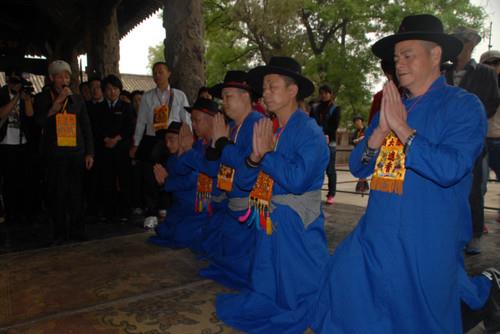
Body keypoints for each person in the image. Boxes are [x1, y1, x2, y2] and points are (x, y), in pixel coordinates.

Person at [310, 14, 499, 333]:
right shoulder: (394, 105)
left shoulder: (464, 106)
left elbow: (450, 168)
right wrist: (378, 134)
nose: (399, 63)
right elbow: (358, 166)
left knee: (420, 313)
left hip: (430, 229)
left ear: (435, 54)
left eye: (407, 55)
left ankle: (485, 290)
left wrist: (404, 131)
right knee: (344, 282)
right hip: (378, 226)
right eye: (396, 57)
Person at [216, 57, 330, 333]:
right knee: (266, 280)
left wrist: (266, 154)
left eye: (272, 86)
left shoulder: (309, 131)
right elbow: (244, 181)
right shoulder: (268, 127)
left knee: (300, 290)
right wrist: (255, 158)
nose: (265, 93)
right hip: (266, 214)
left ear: (293, 91)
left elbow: (297, 181)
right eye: (264, 88)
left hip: (295, 220)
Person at [194, 70, 263, 289]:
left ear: (245, 96)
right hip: (228, 202)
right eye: (222, 98)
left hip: (250, 208)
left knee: (243, 267)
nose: (223, 103)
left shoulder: (257, 124)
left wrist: (223, 143)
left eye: (228, 97)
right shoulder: (231, 127)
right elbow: (211, 169)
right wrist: (216, 147)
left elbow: (247, 167)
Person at [445, 27, 500, 254]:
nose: (460, 47)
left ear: (471, 46)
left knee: (474, 187)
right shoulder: (441, 71)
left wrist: (467, 121)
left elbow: (491, 103)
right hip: (445, 137)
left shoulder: (486, 73)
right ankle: (447, 230)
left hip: (471, 139)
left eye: (463, 42)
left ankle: (474, 233)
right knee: (445, 183)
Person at [34, 60, 94, 244]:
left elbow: (86, 127)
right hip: (55, 154)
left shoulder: (77, 99)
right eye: (60, 76)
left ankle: (77, 230)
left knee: (76, 193)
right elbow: (39, 122)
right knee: (57, 193)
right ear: (52, 78)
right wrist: (58, 102)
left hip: (76, 153)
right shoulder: (43, 98)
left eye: (66, 76)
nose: (64, 79)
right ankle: (59, 232)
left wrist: (89, 152)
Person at [129, 62, 191, 220]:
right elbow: (141, 121)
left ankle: (167, 206)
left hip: (172, 139)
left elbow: (186, 120)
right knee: (151, 174)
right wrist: (136, 143)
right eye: (155, 72)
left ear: (169, 73)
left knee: (171, 171)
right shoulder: (148, 96)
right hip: (152, 138)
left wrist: (188, 140)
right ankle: (152, 209)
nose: (157, 75)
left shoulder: (179, 95)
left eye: (161, 72)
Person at [149, 121, 207, 249]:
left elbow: (193, 179)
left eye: (171, 140)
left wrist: (166, 181)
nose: (168, 144)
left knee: (181, 236)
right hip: (180, 207)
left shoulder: (196, 154)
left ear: (183, 138)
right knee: (162, 230)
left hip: (197, 208)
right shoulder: (171, 159)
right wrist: (162, 183)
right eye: (166, 140)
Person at [0, 69, 35, 246]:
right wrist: (15, 99)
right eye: (13, 82)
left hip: (23, 143)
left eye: (18, 82)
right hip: (6, 143)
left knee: (24, 178)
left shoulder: (25, 94)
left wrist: (26, 99)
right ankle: (11, 213)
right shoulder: (2, 94)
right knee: (9, 180)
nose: (16, 85)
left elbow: (30, 115)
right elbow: (2, 114)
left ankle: (24, 212)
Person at [99, 74, 135, 221]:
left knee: (124, 181)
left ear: (119, 90)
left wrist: (117, 139)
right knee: (107, 181)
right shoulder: (99, 108)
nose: (112, 92)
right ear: (104, 91)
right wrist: (105, 139)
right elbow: (96, 127)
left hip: (122, 149)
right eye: (108, 89)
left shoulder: (127, 107)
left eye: (115, 89)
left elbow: (129, 127)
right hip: (105, 150)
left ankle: (125, 212)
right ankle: (109, 212)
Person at [310, 84, 340, 205]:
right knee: (316, 169)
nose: (323, 95)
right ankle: (314, 192)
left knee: (330, 170)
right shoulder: (315, 107)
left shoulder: (335, 108)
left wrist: (322, 131)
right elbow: (311, 123)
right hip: (316, 143)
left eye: (326, 93)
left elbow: (334, 126)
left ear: (330, 94)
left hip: (329, 143)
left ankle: (331, 194)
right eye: (321, 93)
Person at [481, 50, 500, 224]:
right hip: (481, 140)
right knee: (480, 184)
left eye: (496, 63)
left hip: (498, 139)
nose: (494, 67)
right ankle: (478, 221)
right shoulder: (478, 86)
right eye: (489, 64)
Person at [350, 114, 369, 193]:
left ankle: (361, 187)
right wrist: (356, 140)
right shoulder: (355, 132)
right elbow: (351, 141)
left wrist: (361, 139)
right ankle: (364, 186)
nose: (357, 123)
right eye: (355, 122)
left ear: (362, 121)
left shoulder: (367, 130)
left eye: (358, 121)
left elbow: (368, 138)